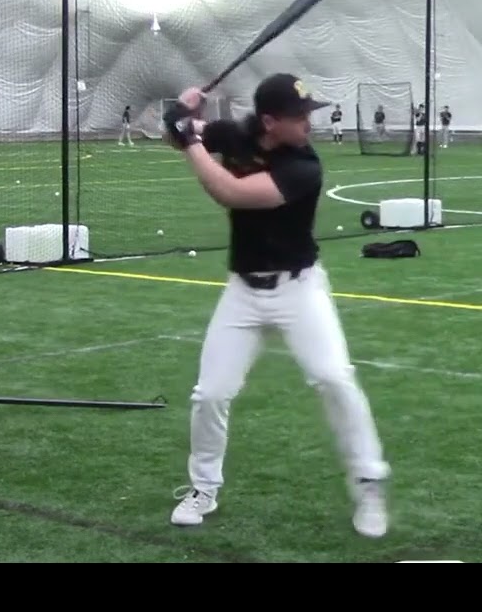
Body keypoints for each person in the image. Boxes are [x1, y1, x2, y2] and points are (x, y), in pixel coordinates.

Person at [160, 73, 392, 538]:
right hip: (243, 291)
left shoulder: (304, 166)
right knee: (210, 394)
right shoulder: (237, 135)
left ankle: (369, 484)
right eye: (299, 116)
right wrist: (180, 114)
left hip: (298, 290)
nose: (309, 122)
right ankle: (203, 486)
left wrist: (189, 141)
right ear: (269, 121)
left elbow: (231, 193)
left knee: (333, 378)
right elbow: (180, 134)